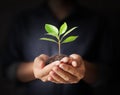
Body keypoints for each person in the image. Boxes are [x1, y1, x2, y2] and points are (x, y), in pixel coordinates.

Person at [0, 0, 111, 95]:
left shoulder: (97, 21)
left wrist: (83, 69)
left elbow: (109, 73)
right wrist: (35, 69)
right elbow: (8, 70)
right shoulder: (24, 20)